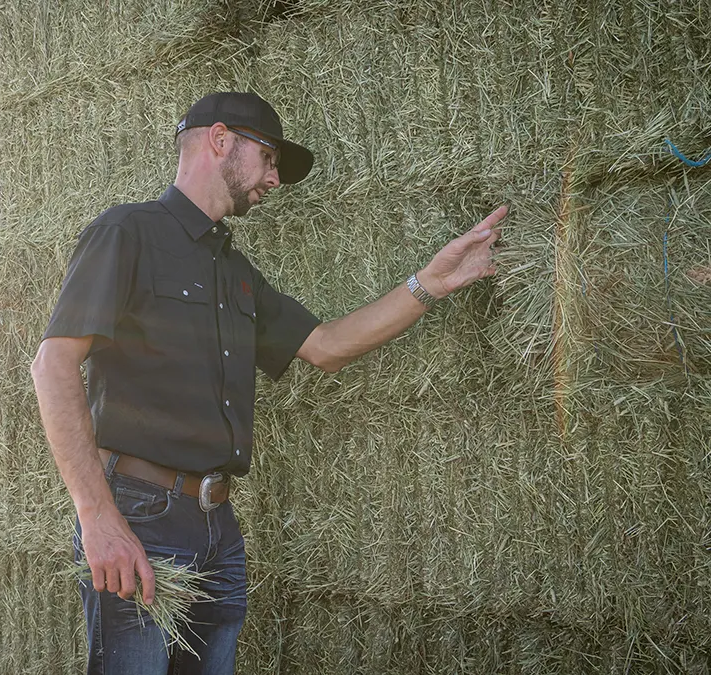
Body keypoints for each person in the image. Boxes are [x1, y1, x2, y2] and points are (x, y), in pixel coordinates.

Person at [30, 92, 506, 674]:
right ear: (220, 140)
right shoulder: (126, 232)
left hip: (216, 525)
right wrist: (96, 516)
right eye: (271, 158)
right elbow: (52, 365)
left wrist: (430, 282)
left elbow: (327, 346)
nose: (275, 179)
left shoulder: (233, 271)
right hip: (139, 517)